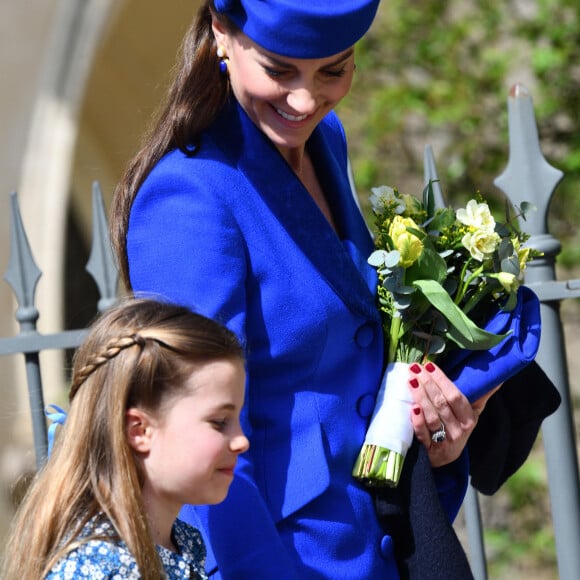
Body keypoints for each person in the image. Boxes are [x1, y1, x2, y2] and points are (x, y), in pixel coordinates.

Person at [109, 1, 560, 578]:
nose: (304, 100)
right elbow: (194, 431)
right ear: (222, 33)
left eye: (332, 70)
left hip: (381, 537)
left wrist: (435, 428)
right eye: (278, 70)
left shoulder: (326, 140)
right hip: (282, 556)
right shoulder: (188, 199)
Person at [2, 298, 249, 580]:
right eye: (219, 422)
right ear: (139, 431)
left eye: (238, 419)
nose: (241, 441)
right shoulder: (96, 569)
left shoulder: (182, 541)